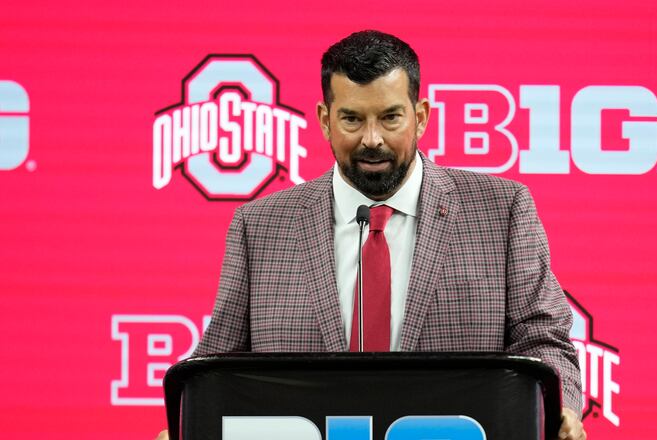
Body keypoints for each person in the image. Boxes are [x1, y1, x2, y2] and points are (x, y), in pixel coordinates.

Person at [157, 30, 585, 440]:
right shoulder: (260, 226)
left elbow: (542, 339)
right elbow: (217, 362)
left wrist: (557, 407)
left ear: (420, 117)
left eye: (390, 117)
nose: (372, 139)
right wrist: (188, 420)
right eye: (352, 119)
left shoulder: (501, 210)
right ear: (325, 120)